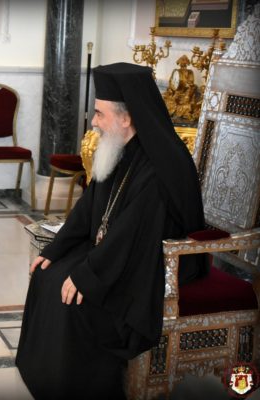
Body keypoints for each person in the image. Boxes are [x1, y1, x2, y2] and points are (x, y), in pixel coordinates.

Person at [15, 63, 207, 399]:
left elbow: (134, 233)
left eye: (100, 114)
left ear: (126, 118)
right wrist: (55, 250)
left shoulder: (160, 166)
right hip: (118, 253)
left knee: (77, 299)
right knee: (47, 275)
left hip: (151, 264)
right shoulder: (118, 149)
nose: (94, 122)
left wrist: (88, 275)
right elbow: (88, 208)